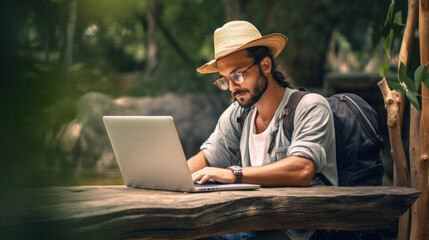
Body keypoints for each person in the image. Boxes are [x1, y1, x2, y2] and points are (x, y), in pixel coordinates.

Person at [188, 20, 338, 240]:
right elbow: (207, 159)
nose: (231, 87)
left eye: (237, 76)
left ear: (266, 66)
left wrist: (233, 174)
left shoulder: (311, 106)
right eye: (225, 80)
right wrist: (170, 179)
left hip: (297, 232)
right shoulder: (238, 113)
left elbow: (302, 169)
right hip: (251, 225)